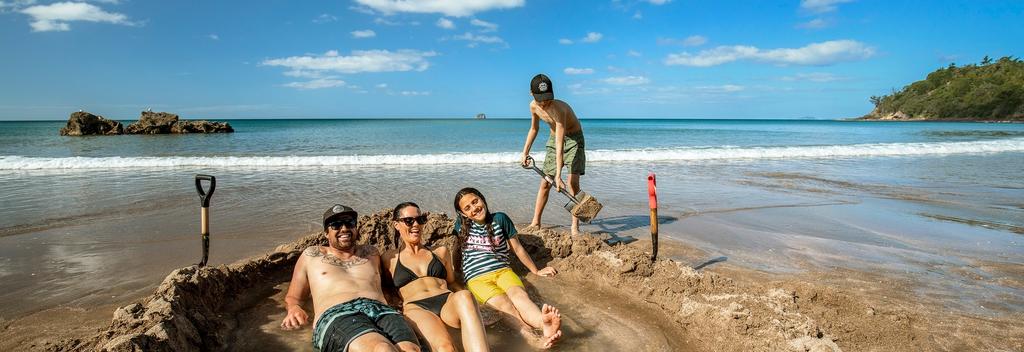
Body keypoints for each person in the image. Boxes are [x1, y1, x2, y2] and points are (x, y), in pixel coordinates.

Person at [280, 204, 421, 352]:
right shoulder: (311, 255)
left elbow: (389, 286)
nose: (344, 228)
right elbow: (293, 297)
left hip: (383, 311)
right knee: (382, 348)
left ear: (356, 228)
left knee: (410, 350)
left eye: (349, 223)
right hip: (339, 313)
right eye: (335, 225)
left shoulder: (371, 253)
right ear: (326, 233)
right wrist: (294, 309)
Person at [452, 187, 562, 349]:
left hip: (503, 271)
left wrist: (536, 270)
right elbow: (456, 249)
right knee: (505, 306)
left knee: (520, 296)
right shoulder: (461, 225)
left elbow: (517, 249)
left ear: (482, 199)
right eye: (467, 208)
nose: (474, 208)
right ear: (463, 214)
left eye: (475, 201)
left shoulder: (500, 219)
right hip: (476, 279)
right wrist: (456, 272)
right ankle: (531, 337)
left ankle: (543, 322)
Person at [383, 202, 490, 352]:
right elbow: (387, 288)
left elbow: (452, 282)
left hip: (446, 301)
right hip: (417, 307)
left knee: (465, 295)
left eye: (420, 220)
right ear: (396, 224)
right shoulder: (389, 258)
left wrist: (473, 310)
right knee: (446, 348)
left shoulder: (440, 251)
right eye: (409, 221)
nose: (416, 225)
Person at [520, 73, 587, 236]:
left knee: (572, 182)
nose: (543, 103)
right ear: (531, 93)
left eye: (547, 99)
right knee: (545, 183)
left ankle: (574, 226)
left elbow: (560, 143)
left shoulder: (558, 110)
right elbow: (534, 129)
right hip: (554, 137)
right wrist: (525, 152)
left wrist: (558, 175)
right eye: (540, 99)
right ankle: (536, 221)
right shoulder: (533, 106)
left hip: (573, 140)